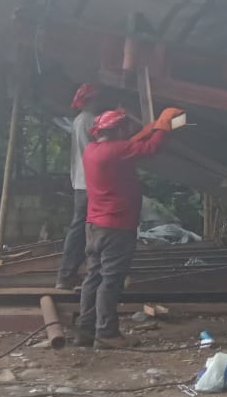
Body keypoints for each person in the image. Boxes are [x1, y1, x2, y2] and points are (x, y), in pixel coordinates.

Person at [76, 107, 182, 347]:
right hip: (116, 227)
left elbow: (127, 144)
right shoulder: (116, 151)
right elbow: (151, 148)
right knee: (111, 280)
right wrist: (163, 125)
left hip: (95, 226)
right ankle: (106, 333)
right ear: (118, 130)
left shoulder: (92, 150)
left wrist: (146, 130)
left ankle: (85, 330)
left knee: (93, 277)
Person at [56, 84, 107, 289]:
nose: (101, 101)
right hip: (91, 182)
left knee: (79, 227)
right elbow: (106, 147)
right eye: (98, 98)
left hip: (80, 181)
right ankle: (73, 274)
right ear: (91, 100)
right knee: (89, 228)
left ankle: (68, 274)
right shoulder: (92, 121)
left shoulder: (78, 120)